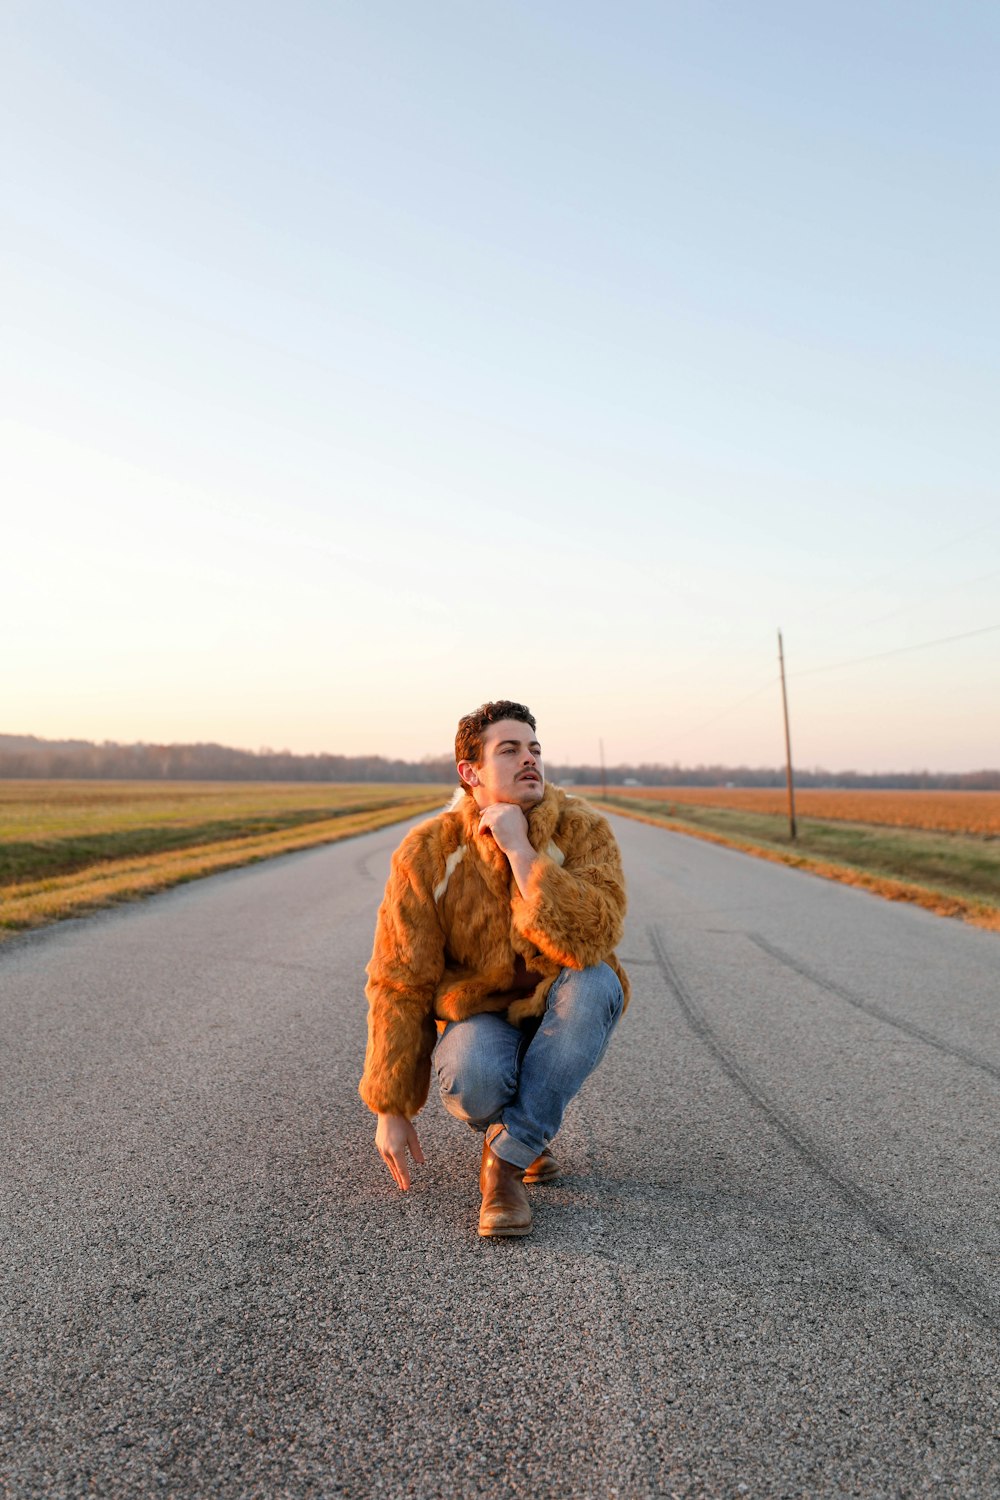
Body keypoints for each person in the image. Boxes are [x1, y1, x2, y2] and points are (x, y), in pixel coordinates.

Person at [359, 700, 629, 1237]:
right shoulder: (428, 853)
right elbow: (399, 979)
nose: (529, 759)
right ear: (470, 772)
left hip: (566, 1000)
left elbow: (592, 937)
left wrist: (522, 850)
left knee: (597, 982)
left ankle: (502, 1166)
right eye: (509, 750)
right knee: (470, 1078)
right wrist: (391, 1107)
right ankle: (525, 1135)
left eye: (534, 748)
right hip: (482, 1014)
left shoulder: (582, 830)